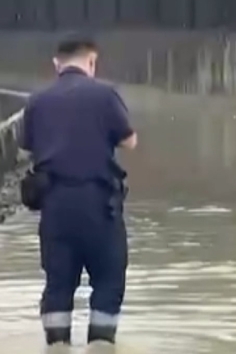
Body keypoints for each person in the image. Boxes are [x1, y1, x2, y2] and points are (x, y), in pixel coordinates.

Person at [18, 33, 137, 346]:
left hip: (55, 206)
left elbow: (27, 147)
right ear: (92, 61)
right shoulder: (105, 94)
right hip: (100, 205)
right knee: (108, 282)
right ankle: (101, 345)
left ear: (57, 64)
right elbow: (129, 140)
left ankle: (56, 344)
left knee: (57, 285)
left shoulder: (37, 100)